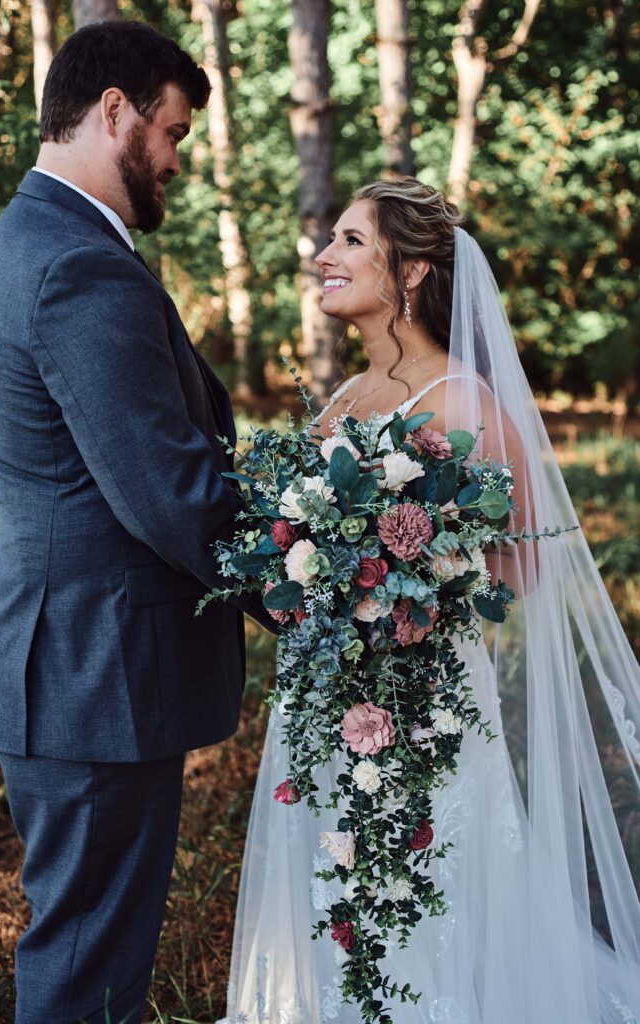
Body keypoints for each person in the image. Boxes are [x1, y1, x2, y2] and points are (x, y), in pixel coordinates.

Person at [222, 179, 640, 1023]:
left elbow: (523, 564)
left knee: (425, 888)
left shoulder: (461, 400)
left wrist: (427, 580)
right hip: (320, 691)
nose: (323, 257)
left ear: (408, 272)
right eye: (329, 239)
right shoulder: (339, 401)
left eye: (347, 241)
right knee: (329, 873)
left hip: (424, 704)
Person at [0, 20, 275, 1024]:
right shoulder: (72, 263)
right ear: (114, 112)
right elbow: (165, 487)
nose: (176, 160)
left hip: (80, 667)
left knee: (87, 950)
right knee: (88, 971)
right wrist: (316, 590)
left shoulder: (45, 238)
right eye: (172, 132)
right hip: (92, 672)